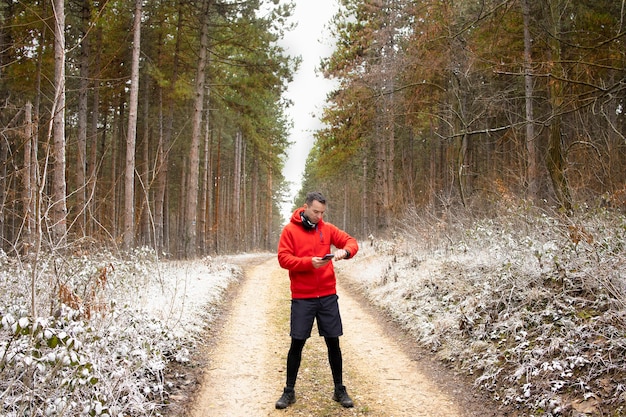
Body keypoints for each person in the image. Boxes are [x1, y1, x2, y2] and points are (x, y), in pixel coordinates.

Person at [275, 191, 359, 409]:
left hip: (328, 296)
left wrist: (345, 252)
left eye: (322, 212)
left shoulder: (327, 229)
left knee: (333, 342)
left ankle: (339, 390)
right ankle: (289, 391)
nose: (319, 217)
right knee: (297, 343)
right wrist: (308, 263)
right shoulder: (290, 230)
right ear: (305, 207)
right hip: (303, 297)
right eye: (315, 212)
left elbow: (351, 242)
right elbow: (283, 258)